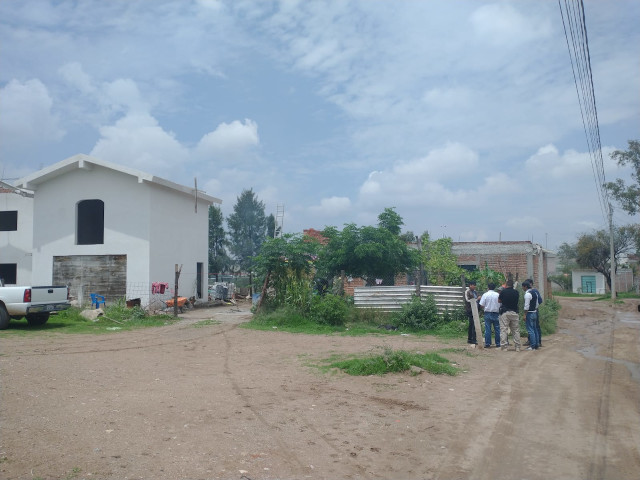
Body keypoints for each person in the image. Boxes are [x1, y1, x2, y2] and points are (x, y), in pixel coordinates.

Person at [498, 279, 521, 351]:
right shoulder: (516, 292)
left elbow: (499, 300)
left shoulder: (503, 292)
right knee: (515, 330)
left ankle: (504, 347)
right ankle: (517, 346)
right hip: (514, 312)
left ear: (506, 285)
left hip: (505, 312)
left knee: (504, 329)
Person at [479, 282, 501, 348]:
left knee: (487, 329)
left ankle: (487, 343)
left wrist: (484, 308)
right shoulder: (498, 295)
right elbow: (500, 304)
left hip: (487, 313)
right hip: (496, 313)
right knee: (497, 329)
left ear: (488, 287)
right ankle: (498, 343)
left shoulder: (485, 295)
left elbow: (481, 305)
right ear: (494, 288)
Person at [525, 278, 543, 347]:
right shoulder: (531, 292)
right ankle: (533, 341)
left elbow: (540, 301)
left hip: (532, 311)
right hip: (534, 310)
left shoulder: (534, 291)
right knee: (533, 327)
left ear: (530, 284)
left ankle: (536, 342)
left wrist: (534, 306)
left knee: (534, 327)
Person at [522, 280, 539, 350]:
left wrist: (524, 314)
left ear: (525, 287)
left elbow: (526, 306)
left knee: (530, 330)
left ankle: (532, 346)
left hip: (529, 313)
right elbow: (537, 304)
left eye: (523, 287)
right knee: (535, 329)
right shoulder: (535, 293)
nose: (522, 288)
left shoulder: (527, 294)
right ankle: (536, 344)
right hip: (535, 312)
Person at [464, 280, 479, 345]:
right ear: (470, 285)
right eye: (473, 285)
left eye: (475, 285)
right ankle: (472, 339)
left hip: (475, 310)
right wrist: (477, 299)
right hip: (470, 310)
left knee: (473, 325)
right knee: (472, 325)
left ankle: (470, 339)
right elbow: (467, 300)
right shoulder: (467, 291)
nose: (474, 286)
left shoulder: (475, 292)